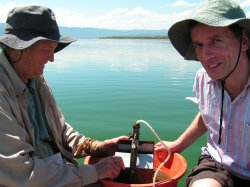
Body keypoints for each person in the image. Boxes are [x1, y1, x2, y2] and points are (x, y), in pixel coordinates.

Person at [0, 5, 127, 187]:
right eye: (46, 50)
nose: (52, 58)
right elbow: (22, 172)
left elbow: (59, 130)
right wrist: (95, 171)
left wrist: (98, 147)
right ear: (18, 48)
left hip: (58, 173)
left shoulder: (36, 79)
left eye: (53, 49)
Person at [155, 0, 250, 186]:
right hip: (216, 165)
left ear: (244, 42)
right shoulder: (203, 78)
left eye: (216, 40)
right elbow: (207, 113)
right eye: (199, 45)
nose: (205, 56)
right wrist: (178, 144)